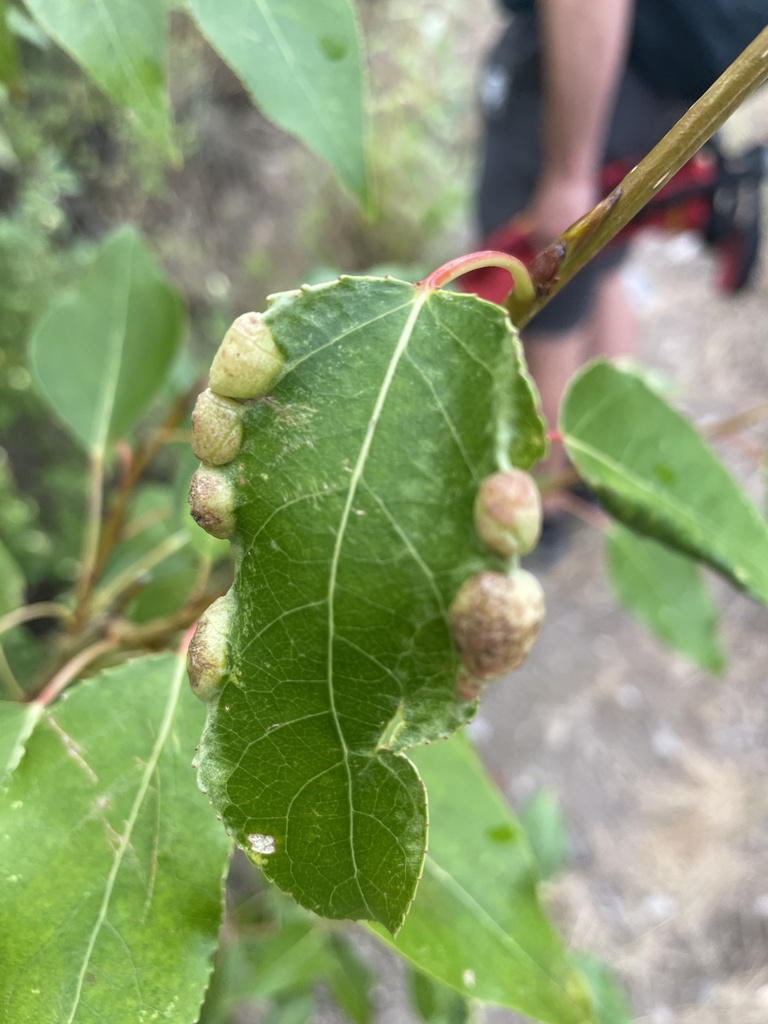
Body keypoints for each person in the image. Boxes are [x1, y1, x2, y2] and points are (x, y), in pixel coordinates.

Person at [477, 0, 768, 509]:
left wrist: (569, 171)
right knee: (604, 265)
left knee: (538, 317)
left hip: (586, 82)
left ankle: (539, 504)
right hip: (665, 82)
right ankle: (596, 473)